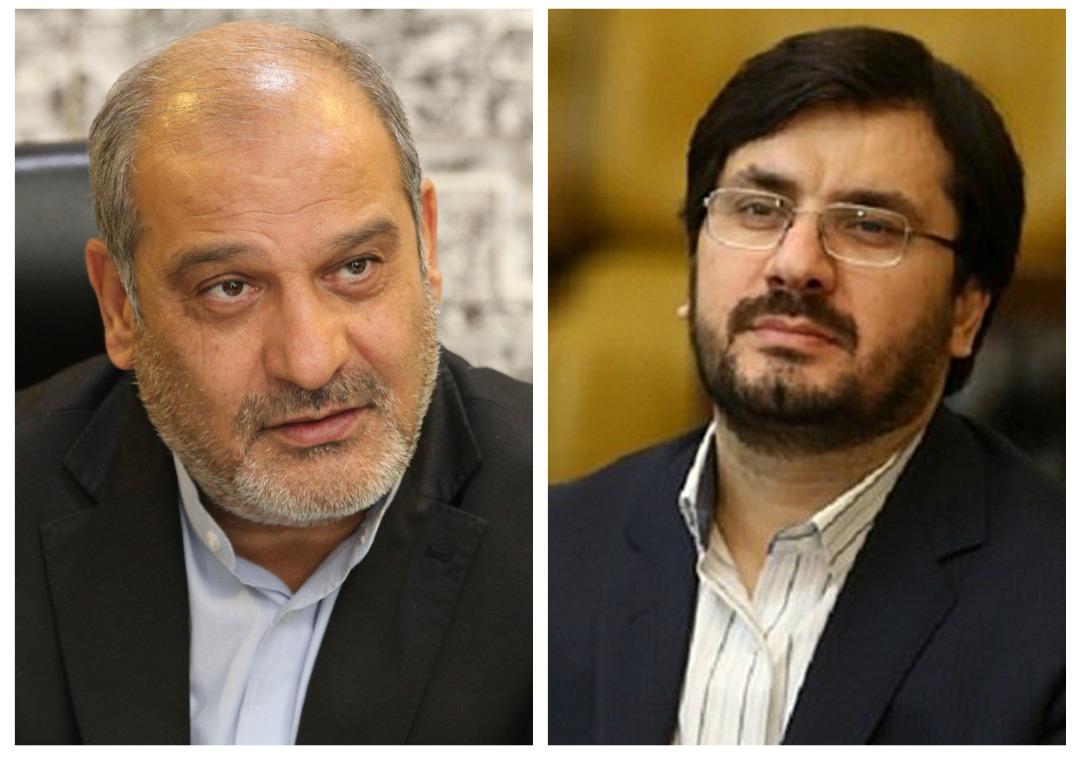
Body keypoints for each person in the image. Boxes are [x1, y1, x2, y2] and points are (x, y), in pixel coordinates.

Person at [17, 21, 531, 745]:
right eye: (230, 288)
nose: (311, 361)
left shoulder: (553, 525)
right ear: (119, 307)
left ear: (427, 245)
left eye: (354, 267)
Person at [549, 26, 1062, 745]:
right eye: (758, 209)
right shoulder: (541, 556)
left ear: (966, 309)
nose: (795, 264)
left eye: (870, 226)